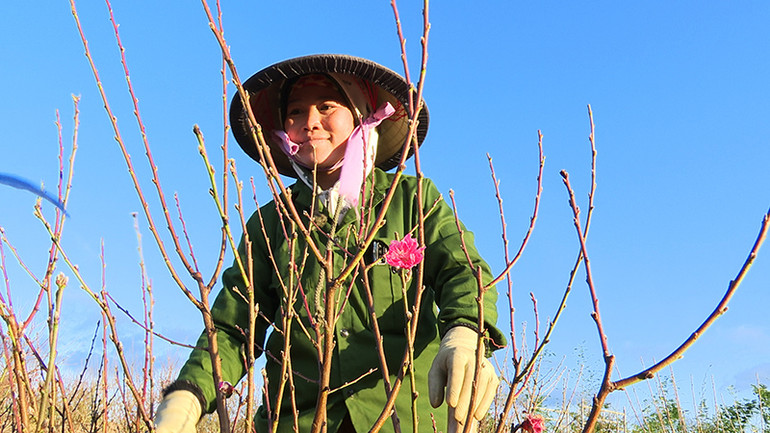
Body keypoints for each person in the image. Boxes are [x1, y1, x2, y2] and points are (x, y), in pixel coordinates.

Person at [153, 54, 506, 433]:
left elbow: (463, 271)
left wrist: (466, 332)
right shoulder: (271, 224)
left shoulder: (413, 200)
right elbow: (234, 326)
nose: (310, 123)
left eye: (327, 106)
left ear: (359, 114)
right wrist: (187, 395)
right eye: (295, 112)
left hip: (406, 419)